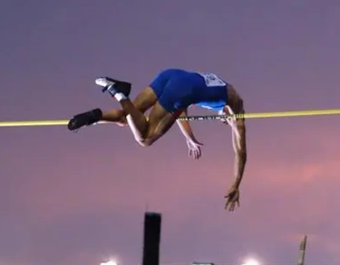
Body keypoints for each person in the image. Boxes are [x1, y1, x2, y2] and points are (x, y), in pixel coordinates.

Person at [68, 68, 247, 211]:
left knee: (127, 117)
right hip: (182, 89)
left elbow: (183, 107)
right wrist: (236, 184)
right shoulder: (236, 111)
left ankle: (95, 117)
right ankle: (118, 93)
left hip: (171, 75)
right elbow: (240, 151)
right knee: (146, 138)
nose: (225, 121)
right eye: (225, 121)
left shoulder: (221, 86)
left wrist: (190, 137)